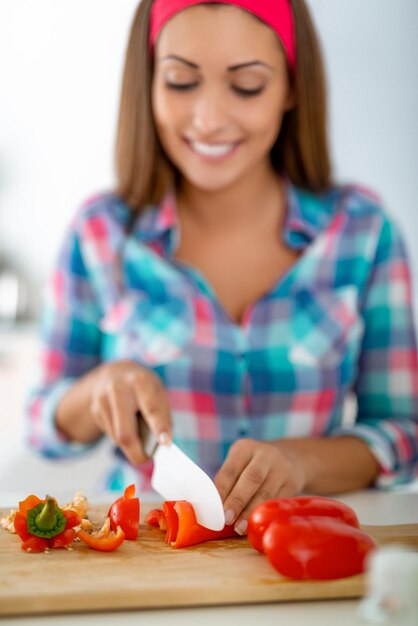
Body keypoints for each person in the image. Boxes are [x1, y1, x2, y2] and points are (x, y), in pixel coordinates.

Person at [27, 0, 418, 536]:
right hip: (141, 555)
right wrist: (98, 389)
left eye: (248, 86)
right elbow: (40, 423)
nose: (209, 118)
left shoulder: (364, 232)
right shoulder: (100, 233)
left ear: (292, 87)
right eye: (181, 81)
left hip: (300, 552)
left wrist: (302, 462)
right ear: (149, 85)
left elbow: (402, 432)